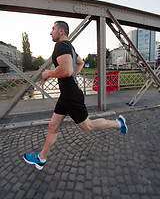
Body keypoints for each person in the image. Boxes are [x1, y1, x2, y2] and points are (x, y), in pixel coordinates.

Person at [23, 21, 128, 170]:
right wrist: (71, 77)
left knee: (88, 126)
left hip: (71, 96)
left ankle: (118, 123)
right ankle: (41, 158)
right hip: (66, 95)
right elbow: (80, 63)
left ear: (61, 31)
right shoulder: (70, 47)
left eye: (53, 29)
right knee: (53, 125)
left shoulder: (61, 46)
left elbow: (66, 71)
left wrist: (48, 73)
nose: (50, 32)